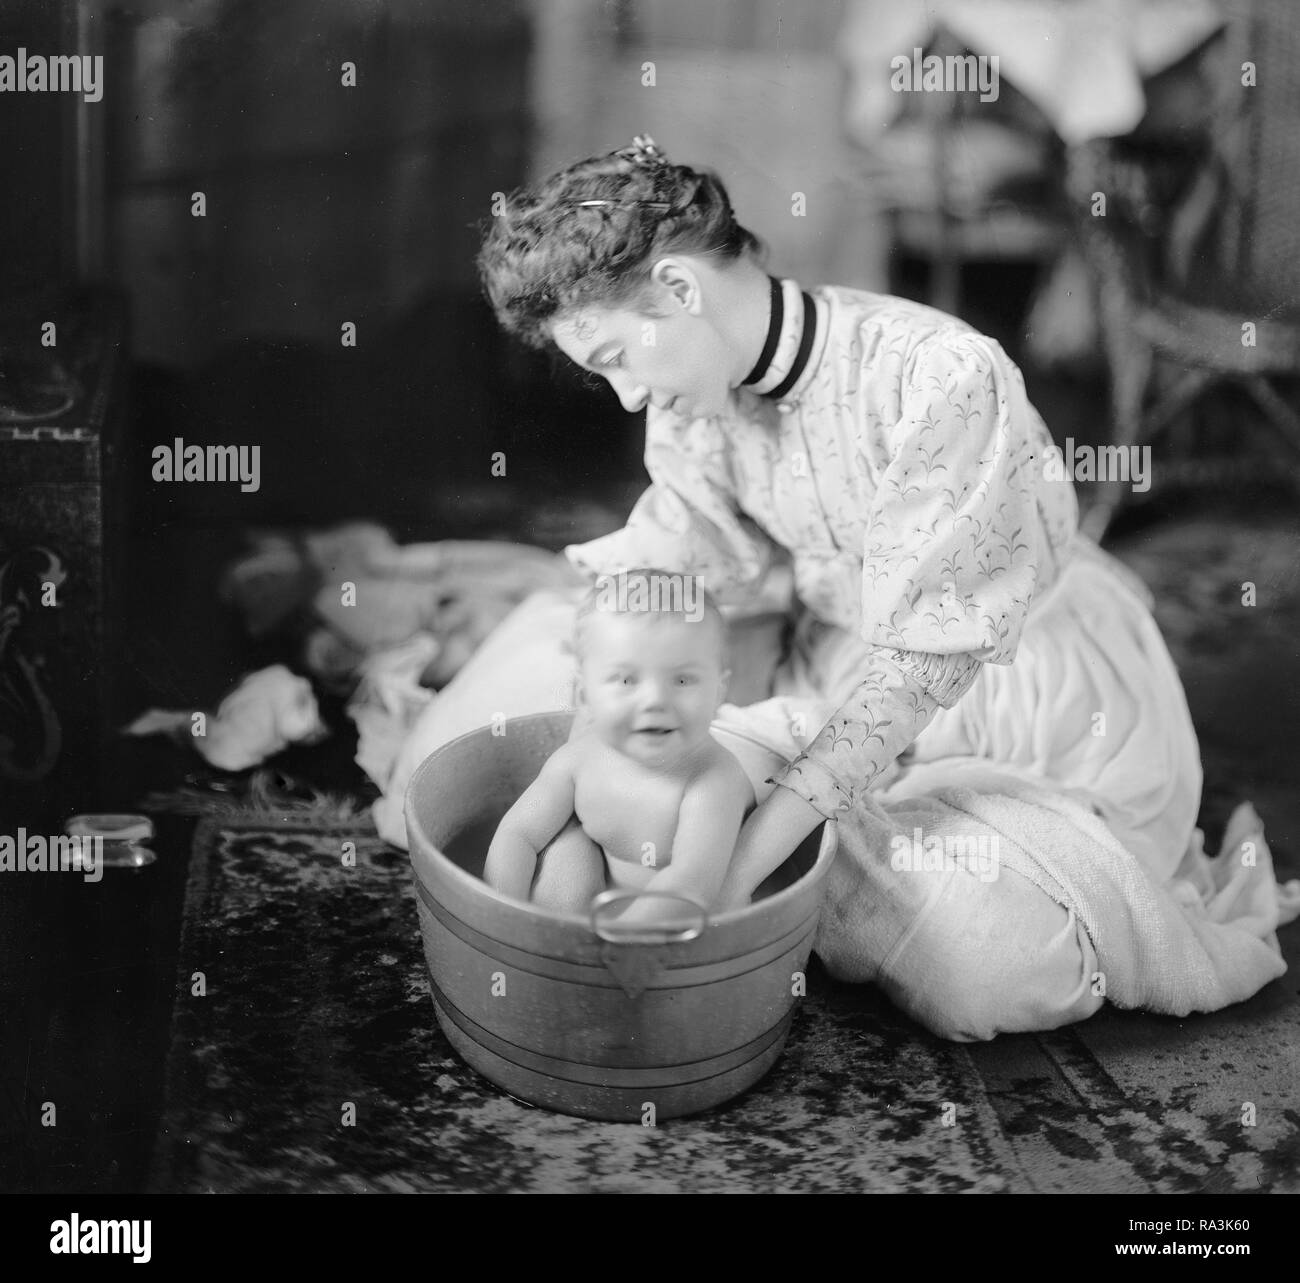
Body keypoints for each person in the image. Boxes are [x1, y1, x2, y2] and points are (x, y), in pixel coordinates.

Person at [378, 134, 1300, 1041]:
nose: (623, 398)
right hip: (821, 646)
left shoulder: (940, 376)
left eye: (616, 358)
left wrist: (736, 874)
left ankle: (822, 865)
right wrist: (600, 730)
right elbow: (681, 560)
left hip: (1006, 684)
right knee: (490, 720)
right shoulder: (692, 403)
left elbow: (920, 667)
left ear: (680, 289)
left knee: (995, 968)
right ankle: (781, 857)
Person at [483, 567, 753, 926]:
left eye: (683, 679)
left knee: (723, 916)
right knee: (565, 855)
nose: (655, 700)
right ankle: (547, 938)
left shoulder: (713, 781)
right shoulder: (577, 761)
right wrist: (502, 916)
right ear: (585, 695)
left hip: (682, 923)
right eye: (626, 679)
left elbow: (691, 885)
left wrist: (611, 940)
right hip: (604, 897)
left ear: (718, 692)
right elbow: (519, 834)